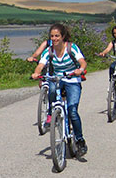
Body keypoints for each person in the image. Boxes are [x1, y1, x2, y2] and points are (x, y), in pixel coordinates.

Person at [31, 23, 88, 156]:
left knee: (72, 111)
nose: (55, 38)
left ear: (63, 37)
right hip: (56, 78)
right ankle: (53, 112)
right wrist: (36, 73)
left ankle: (79, 139)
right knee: (51, 90)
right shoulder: (49, 51)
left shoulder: (71, 47)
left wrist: (80, 69)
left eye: (57, 36)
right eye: (52, 36)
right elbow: (40, 65)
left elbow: (82, 62)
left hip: (72, 79)